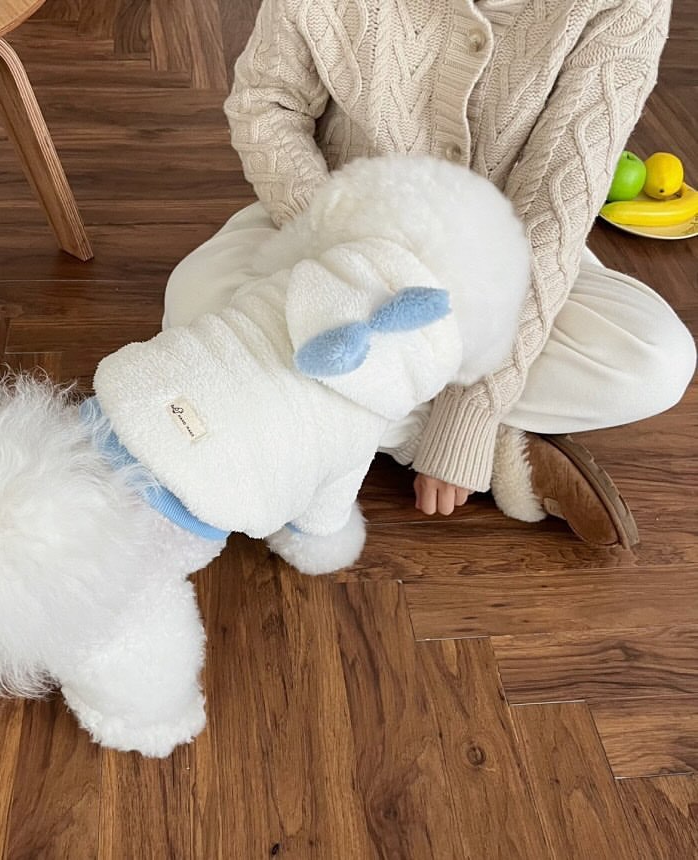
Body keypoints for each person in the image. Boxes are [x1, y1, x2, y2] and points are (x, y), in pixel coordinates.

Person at [163, 0, 695, 547]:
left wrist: (473, 405)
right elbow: (266, 107)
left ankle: (319, 416)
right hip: (328, 219)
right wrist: (344, 263)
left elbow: (552, 211)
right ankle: (497, 453)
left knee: (656, 361)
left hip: (508, 257)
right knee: (194, 303)